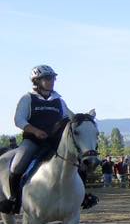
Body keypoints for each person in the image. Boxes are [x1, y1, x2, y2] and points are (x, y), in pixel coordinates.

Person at [1, 65, 75, 214]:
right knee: (16, 167)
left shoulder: (59, 100)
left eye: (53, 78)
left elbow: (69, 118)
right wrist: (35, 131)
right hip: (33, 141)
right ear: (37, 81)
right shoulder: (27, 98)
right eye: (48, 78)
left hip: (55, 142)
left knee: (77, 162)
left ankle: (83, 196)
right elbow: (19, 120)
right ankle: (14, 200)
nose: (52, 81)